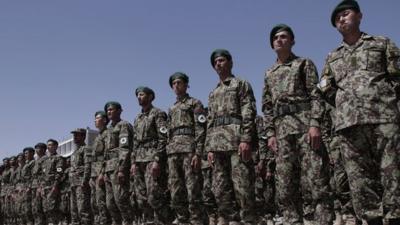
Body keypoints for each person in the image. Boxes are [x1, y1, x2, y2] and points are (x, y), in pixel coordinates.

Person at [319, 1, 400, 224]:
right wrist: (345, 102)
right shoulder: (332, 57)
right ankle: (372, 220)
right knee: (359, 180)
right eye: (337, 19)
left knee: (392, 174)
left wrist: (381, 97)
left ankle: (394, 218)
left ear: (359, 16)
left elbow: (397, 77)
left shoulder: (381, 43)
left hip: (383, 118)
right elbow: (325, 87)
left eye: (345, 14)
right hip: (349, 125)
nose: (341, 20)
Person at [262, 24, 333, 225]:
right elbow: (267, 106)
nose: (279, 40)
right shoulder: (269, 73)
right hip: (282, 132)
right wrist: (270, 134)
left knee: (317, 179)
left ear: (292, 41)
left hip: (304, 127)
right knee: (285, 184)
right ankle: (292, 221)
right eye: (275, 38)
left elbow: (316, 96)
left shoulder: (304, 64)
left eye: (284, 37)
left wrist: (315, 124)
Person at [205, 49, 257, 225]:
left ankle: (249, 220)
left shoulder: (240, 84)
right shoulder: (213, 93)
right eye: (215, 62)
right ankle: (231, 219)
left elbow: (248, 112)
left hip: (236, 141)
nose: (218, 64)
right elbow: (210, 121)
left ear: (230, 63)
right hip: (218, 145)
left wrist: (245, 139)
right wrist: (209, 148)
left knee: (242, 185)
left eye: (221, 60)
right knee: (220, 188)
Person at [166, 72, 206, 225]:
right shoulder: (171, 108)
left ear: (186, 84)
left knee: (193, 187)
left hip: (189, 149)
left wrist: (198, 152)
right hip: (173, 152)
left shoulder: (195, 103)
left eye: (179, 82)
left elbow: (200, 128)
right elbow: (169, 132)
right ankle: (182, 218)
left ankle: (196, 219)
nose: (176, 85)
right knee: (175, 188)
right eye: (174, 83)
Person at [131, 86, 171, 225]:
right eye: (138, 95)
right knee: (141, 197)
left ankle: (164, 221)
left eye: (142, 95)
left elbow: (163, 138)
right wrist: (133, 163)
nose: (139, 97)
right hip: (139, 159)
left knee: (154, 195)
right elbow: (135, 142)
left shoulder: (158, 113)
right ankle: (148, 221)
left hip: (152, 158)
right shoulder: (137, 118)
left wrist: (158, 160)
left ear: (150, 97)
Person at [103, 101, 133, 225]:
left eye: (112, 109)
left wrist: (122, 169)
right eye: (108, 110)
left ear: (119, 111)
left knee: (121, 200)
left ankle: (128, 222)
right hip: (108, 169)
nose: (109, 112)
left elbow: (124, 148)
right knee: (110, 203)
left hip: (118, 167)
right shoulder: (108, 129)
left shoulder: (123, 125)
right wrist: (103, 171)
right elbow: (106, 152)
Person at [91, 111, 111, 225]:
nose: (95, 120)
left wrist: (102, 173)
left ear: (104, 120)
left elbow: (107, 155)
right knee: (95, 203)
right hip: (94, 174)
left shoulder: (107, 134)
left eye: (97, 118)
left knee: (103, 203)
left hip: (101, 174)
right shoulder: (98, 136)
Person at [69, 128, 92, 225]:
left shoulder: (86, 149)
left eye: (77, 135)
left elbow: (88, 166)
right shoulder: (74, 152)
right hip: (73, 184)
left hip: (81, 184)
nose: (74, 137)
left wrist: (85, 181)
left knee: (83, 210)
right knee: (74, 211)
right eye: (74, 135)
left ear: (83, 136)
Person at [41, 139, 64, 225]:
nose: (48, 147)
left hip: (53, 188)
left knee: (53, 210)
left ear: (56, 146)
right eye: (48, 145)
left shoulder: (58, 158)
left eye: (50, 145)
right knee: (46, 210)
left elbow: (59, 172)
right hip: (46, 188)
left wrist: (55, 186)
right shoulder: (45, 160)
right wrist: (42, 187)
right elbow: (43, 176)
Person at [32, 143, 48, 225]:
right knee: (37, 209)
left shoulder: (45, 159)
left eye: (38, 148)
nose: (37, 150)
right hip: (36, 187)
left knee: (43, 209)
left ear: (43, 150)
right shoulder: (37, 160)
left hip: (42, 187)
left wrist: (41, 186)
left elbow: (44, 174)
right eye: (36, 148)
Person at [21, 147, 36, 225]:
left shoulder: (33, 163)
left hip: (31, 188)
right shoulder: (26, 164)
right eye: (25, 153)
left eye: (27, 153)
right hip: (25, 188)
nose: (25, 155)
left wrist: (29, 186)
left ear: (32, 153)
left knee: (31, 209)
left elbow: (33, 176)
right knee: (26, 209)